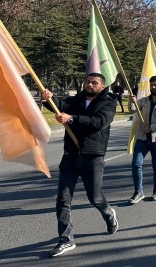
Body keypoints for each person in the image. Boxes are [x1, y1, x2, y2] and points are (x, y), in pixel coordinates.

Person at [42, 73, 118, 257]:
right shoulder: (77, 100)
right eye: (87, 81)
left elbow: (98, 123)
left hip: (92, 156)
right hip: (70, 155)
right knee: (63, 199)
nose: (90, 84)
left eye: (94, 82)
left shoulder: (108, 103)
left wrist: (72, 119)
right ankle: (66, 239)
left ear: (102, 86)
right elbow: (61, 105)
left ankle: (109, 214)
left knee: (95, 198)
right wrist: (48, 99)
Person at [128, 76, 156, 204]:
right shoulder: (143, 100)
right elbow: (133, 110)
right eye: (152, 84)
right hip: (142, 138)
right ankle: (138, 191)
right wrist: (132, 102)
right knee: (136, 164)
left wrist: (152, 128)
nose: (153, 87)